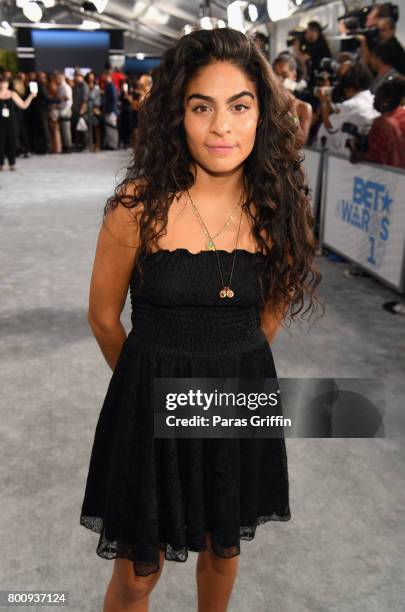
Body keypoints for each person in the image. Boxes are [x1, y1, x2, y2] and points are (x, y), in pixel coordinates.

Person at [79, 27, 324, 610]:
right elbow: (104, 320)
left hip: (237, 394)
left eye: (239, 106)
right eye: (201, 107)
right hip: (149, 399)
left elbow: (265, 322)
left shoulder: (280, 208)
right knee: (138, 574)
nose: (222, 127)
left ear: (261, 114)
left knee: (223, 550)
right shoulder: (136, 207)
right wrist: (151, 382)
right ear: (176, 115)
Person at [315, 61, 380, 156]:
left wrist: (323, 102)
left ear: (348, 85)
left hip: (343, 156)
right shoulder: (372, 99)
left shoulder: (351, 105)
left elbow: (329, 126)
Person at [349, 76, 405, 169]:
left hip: (388, 177)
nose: (374, 100)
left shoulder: (382, 123)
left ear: (384, 101)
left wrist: (356, 155)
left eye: (377, 97)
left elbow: (377, 157)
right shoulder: (401, 116)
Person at [273, 54, 313, 145]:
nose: (279, 80)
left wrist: (292, 109)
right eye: (275, 75)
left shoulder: (304, 108)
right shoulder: (266, 102)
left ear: (294, 76)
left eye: (284, 75)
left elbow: (299, 143)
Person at [0, 74, 37, 170]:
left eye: (4, 83)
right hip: (0, 123)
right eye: (1, 83)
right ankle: (1, 164)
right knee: (1, 142)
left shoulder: (12, 94)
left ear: (8, 84)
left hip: (11, 122)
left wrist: (31, 96)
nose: (3, 85)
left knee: (12, 142)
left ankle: (12, 163)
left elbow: (23, 105)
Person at [293, 20, 331, 86]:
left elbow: (302, 59)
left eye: (307, 31)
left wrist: (296, 47)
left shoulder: (319, 44)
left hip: (322, 78)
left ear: (313, 32)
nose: (306, 34)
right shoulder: (314, 43)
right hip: (315, 75)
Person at [55, 71, 73, 152]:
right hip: (61, 110)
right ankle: (65, 145)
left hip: (66, 110)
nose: (56, 80)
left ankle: (68, 146)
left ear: (62, 78)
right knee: (63, 129)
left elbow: (68, 100)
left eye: (58, 78)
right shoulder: (59, 87)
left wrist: (64, 111)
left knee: (66, 129)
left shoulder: (66, 87)